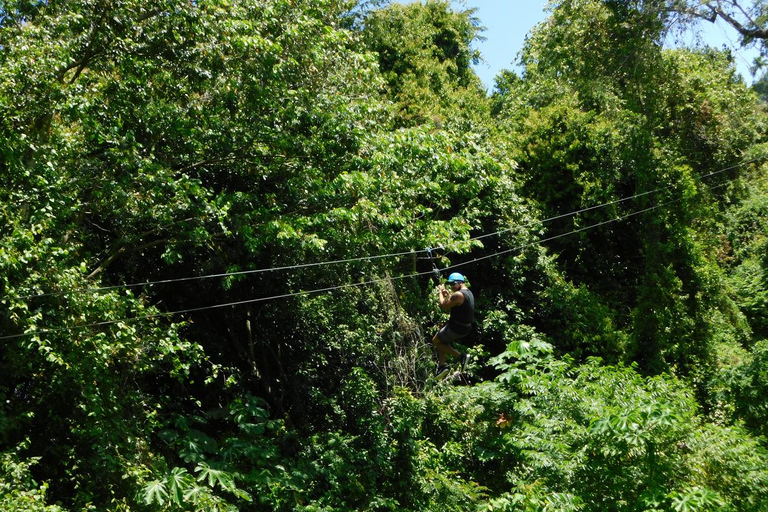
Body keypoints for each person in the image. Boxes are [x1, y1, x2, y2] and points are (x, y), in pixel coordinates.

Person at [432, 272, 474, 379]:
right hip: (465, 327)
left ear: (459, 283)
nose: (451, 287)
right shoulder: (468, 293)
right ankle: (442, 367)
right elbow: (457, 305)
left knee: (435, 341)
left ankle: (461, 357)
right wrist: (449, 296)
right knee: (442, 340)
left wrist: (441, 292)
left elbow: (443, 305)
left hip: (457, 328)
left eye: (452, 284)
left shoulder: (458, 295)